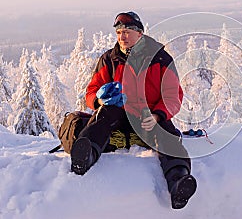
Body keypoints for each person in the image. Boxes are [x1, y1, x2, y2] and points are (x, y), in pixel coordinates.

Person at [70, 11, 197, 209]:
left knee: (166, 134)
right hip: (117, 116)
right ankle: (85, 158)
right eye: (119, 32)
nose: (123, 36)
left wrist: (158, 114)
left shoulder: (161, 59)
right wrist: (98, 100)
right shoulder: (109, 59)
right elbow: (91, 91)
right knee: (104, 115)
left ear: (140, 33)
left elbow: (173, 96)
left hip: (148, 116)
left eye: (128, 31)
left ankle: (178, 182)